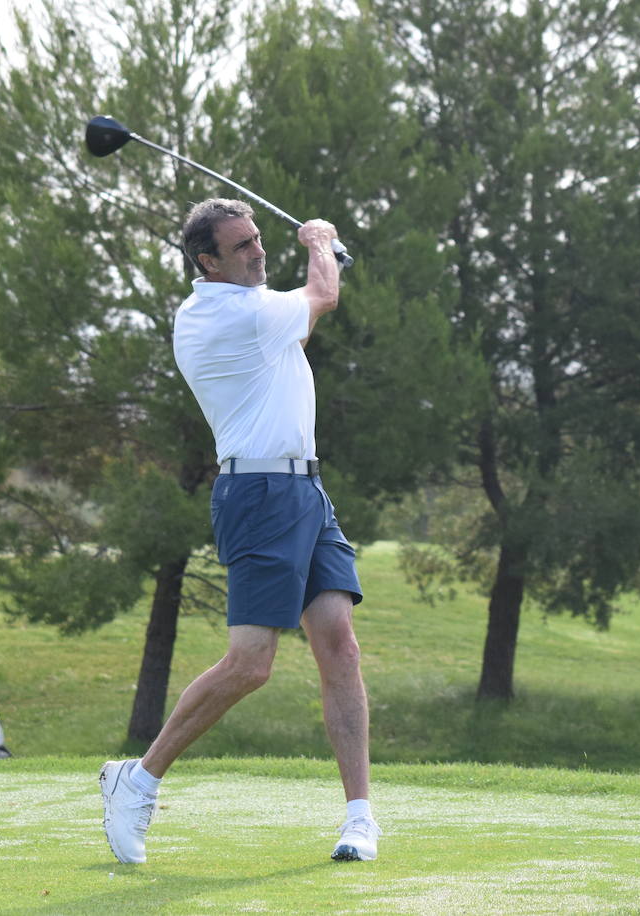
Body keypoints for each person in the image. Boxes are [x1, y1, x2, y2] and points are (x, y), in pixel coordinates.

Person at [99, 198, 379, 865]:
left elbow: (302, 322)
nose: (258, 251)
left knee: (339, 645)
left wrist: (318, 272)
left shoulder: (250, 315)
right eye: (243, 246)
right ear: (207, 261)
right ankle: (136, 784)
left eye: (259, 239)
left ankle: (359, 818)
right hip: (259, 495)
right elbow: (321, 297)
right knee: (251, 665)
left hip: (306, 491)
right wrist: (321, 239)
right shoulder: (231, 315)